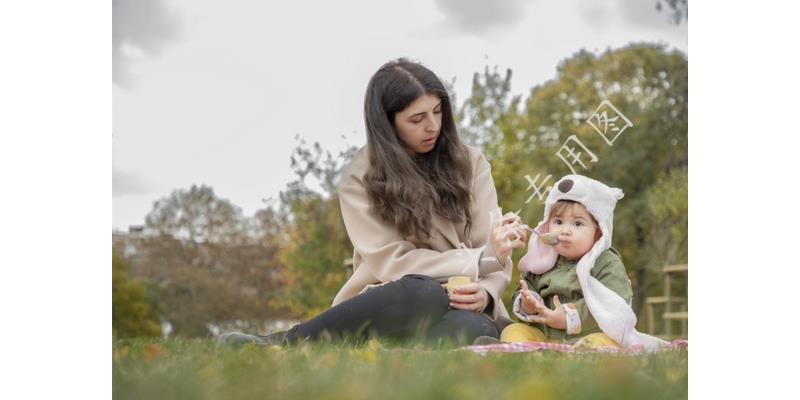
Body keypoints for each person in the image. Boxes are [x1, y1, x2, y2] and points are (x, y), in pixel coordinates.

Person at [220, 58, 523, 346]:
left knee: (477, 326)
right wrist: (478, 260)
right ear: (388, 125)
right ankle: (291, 341)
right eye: (417, 119)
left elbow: (495, 246)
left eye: (437, 111)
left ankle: (387, 349)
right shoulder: (360, 179)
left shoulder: (472, 162)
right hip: (397, 296)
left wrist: (485, 292)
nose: (433, 126)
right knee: (427, 293)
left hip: (462, 300)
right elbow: (394, 263)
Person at [498, 174, 668, 351]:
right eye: (558, 221)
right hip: (545, 335)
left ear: (598, 233)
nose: (565, 230)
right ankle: (525, 350)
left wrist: (569, 317)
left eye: (578, 224)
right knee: (514, 331)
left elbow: (614, 305)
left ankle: (581, 354)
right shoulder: (543, 257)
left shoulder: (605, 262)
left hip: (588, 334)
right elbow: (527, 286)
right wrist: (528, 302)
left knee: (599, 344)